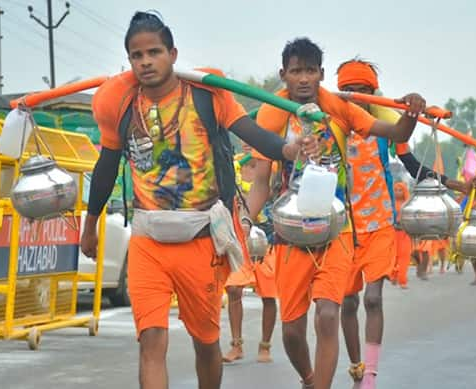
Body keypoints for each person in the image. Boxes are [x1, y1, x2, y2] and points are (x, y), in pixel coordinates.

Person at [80, 13, 318, 389]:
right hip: (147, 243)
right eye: (136, 55)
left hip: (201, 241)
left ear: (173, 54)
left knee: (206, 343)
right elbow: (107, 164)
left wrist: (290, 149)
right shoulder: (119, 105)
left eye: (154, 52)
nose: (145, 62)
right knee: (151, 341)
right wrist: (89, 225)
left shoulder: (209, 95)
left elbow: (255, 135)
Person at [246, 39, 425, 389]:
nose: (303, 79)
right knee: (292, 331)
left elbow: (397, 132)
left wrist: (412, 111)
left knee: (328, 314)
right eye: (295, 71)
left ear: (321, 75)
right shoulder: (271, 115)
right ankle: (310, 379)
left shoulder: (339, 109)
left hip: (335, 232)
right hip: (290, 234)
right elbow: (261, 184)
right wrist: (245, 222)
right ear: (283, 74)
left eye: (310, 71)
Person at [334, 58, 476, 388]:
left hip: (381, 223)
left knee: (373, 299)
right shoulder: (333, 126)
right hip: (344, 226)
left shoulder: (387, 129)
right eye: (349, 91)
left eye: (363, 91)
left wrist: (456, 185)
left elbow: (413, 165)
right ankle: (356, 366)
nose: (357, 96)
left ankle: (369, 377)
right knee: (347, 301)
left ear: (374, 93)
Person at [222, 147, 278, 364]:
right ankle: (236, 345)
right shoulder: (233, 166)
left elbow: (271, 191)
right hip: (240, 238)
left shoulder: (271, 166)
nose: (248, 143)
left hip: (268, 239)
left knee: (268, 294)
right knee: (234, 288)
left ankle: (265, 346)